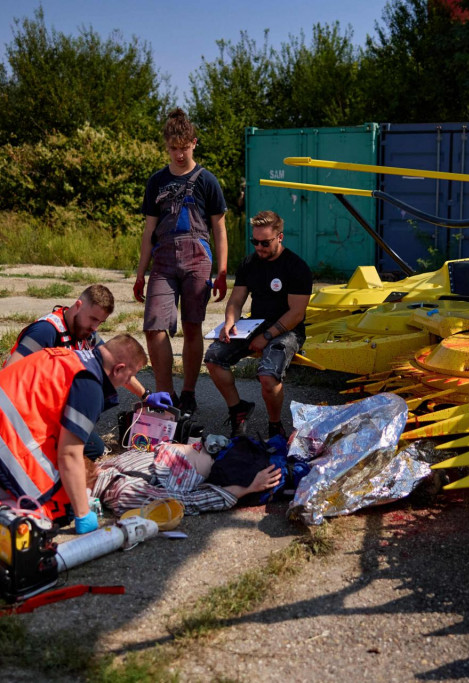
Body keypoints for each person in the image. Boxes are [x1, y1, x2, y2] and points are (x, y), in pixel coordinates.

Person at [0, 334, 148, 534]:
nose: (127, 382)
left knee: (50, 483)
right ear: (119, 368)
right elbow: (69, 455)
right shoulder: (89, 385)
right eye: (130, 376)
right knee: (56, 508)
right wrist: (83, 514)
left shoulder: (73, 357)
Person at [133, 108, 228, 416]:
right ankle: (166, 394)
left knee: (191, 327)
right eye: (172, 148)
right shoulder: (156, 182)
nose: (178, 154)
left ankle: (188, 392)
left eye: (183, 148)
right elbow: (149, 230)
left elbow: (219, 228)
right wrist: (139, 274)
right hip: (162, 260)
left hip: (198, 259)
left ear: (194, 143)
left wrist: (223, 271)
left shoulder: (207, 180)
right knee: (154, 327)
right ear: (166, 146)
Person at [205, 211, 312, 439]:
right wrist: (229, 322)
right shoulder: (249, 263)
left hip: (288, 329)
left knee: (267, 375)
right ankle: (238, 410)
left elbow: (296, 313)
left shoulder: (296, 267)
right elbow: (235, 301)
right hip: (255, 324)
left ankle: (275, 426)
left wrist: (268, 335)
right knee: (214, 357)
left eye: (265, 243)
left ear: (280, 237)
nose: (259, 248)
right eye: (255, 242)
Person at [4, 283, 168, 411]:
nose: (95, 327)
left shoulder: (87, 334)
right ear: (78, 306)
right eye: (92, 319)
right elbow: (8, 375)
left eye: (100, 322)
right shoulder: (46, 331)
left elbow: (113, 365)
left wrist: (146, 396)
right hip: (22, 404)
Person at [88, 441, 282, 515]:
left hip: (215, 448)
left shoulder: (104, 467)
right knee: (290, 465)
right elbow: (188, 502)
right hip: (230, 467)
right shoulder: (124, 491)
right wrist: (248, 488)